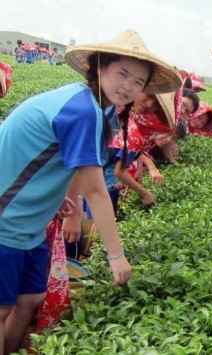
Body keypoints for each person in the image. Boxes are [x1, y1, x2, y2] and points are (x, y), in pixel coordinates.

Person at [0, 30, 182, 353]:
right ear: (100, 68)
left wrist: (66, 203)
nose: (128, 86)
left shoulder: (102, 108)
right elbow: (97, 190)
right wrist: (116, 255)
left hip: (29, 223)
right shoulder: (83, 110)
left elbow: (73, 164)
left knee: (30, 299)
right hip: (7, 219)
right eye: (122, 74)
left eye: (138, 82)